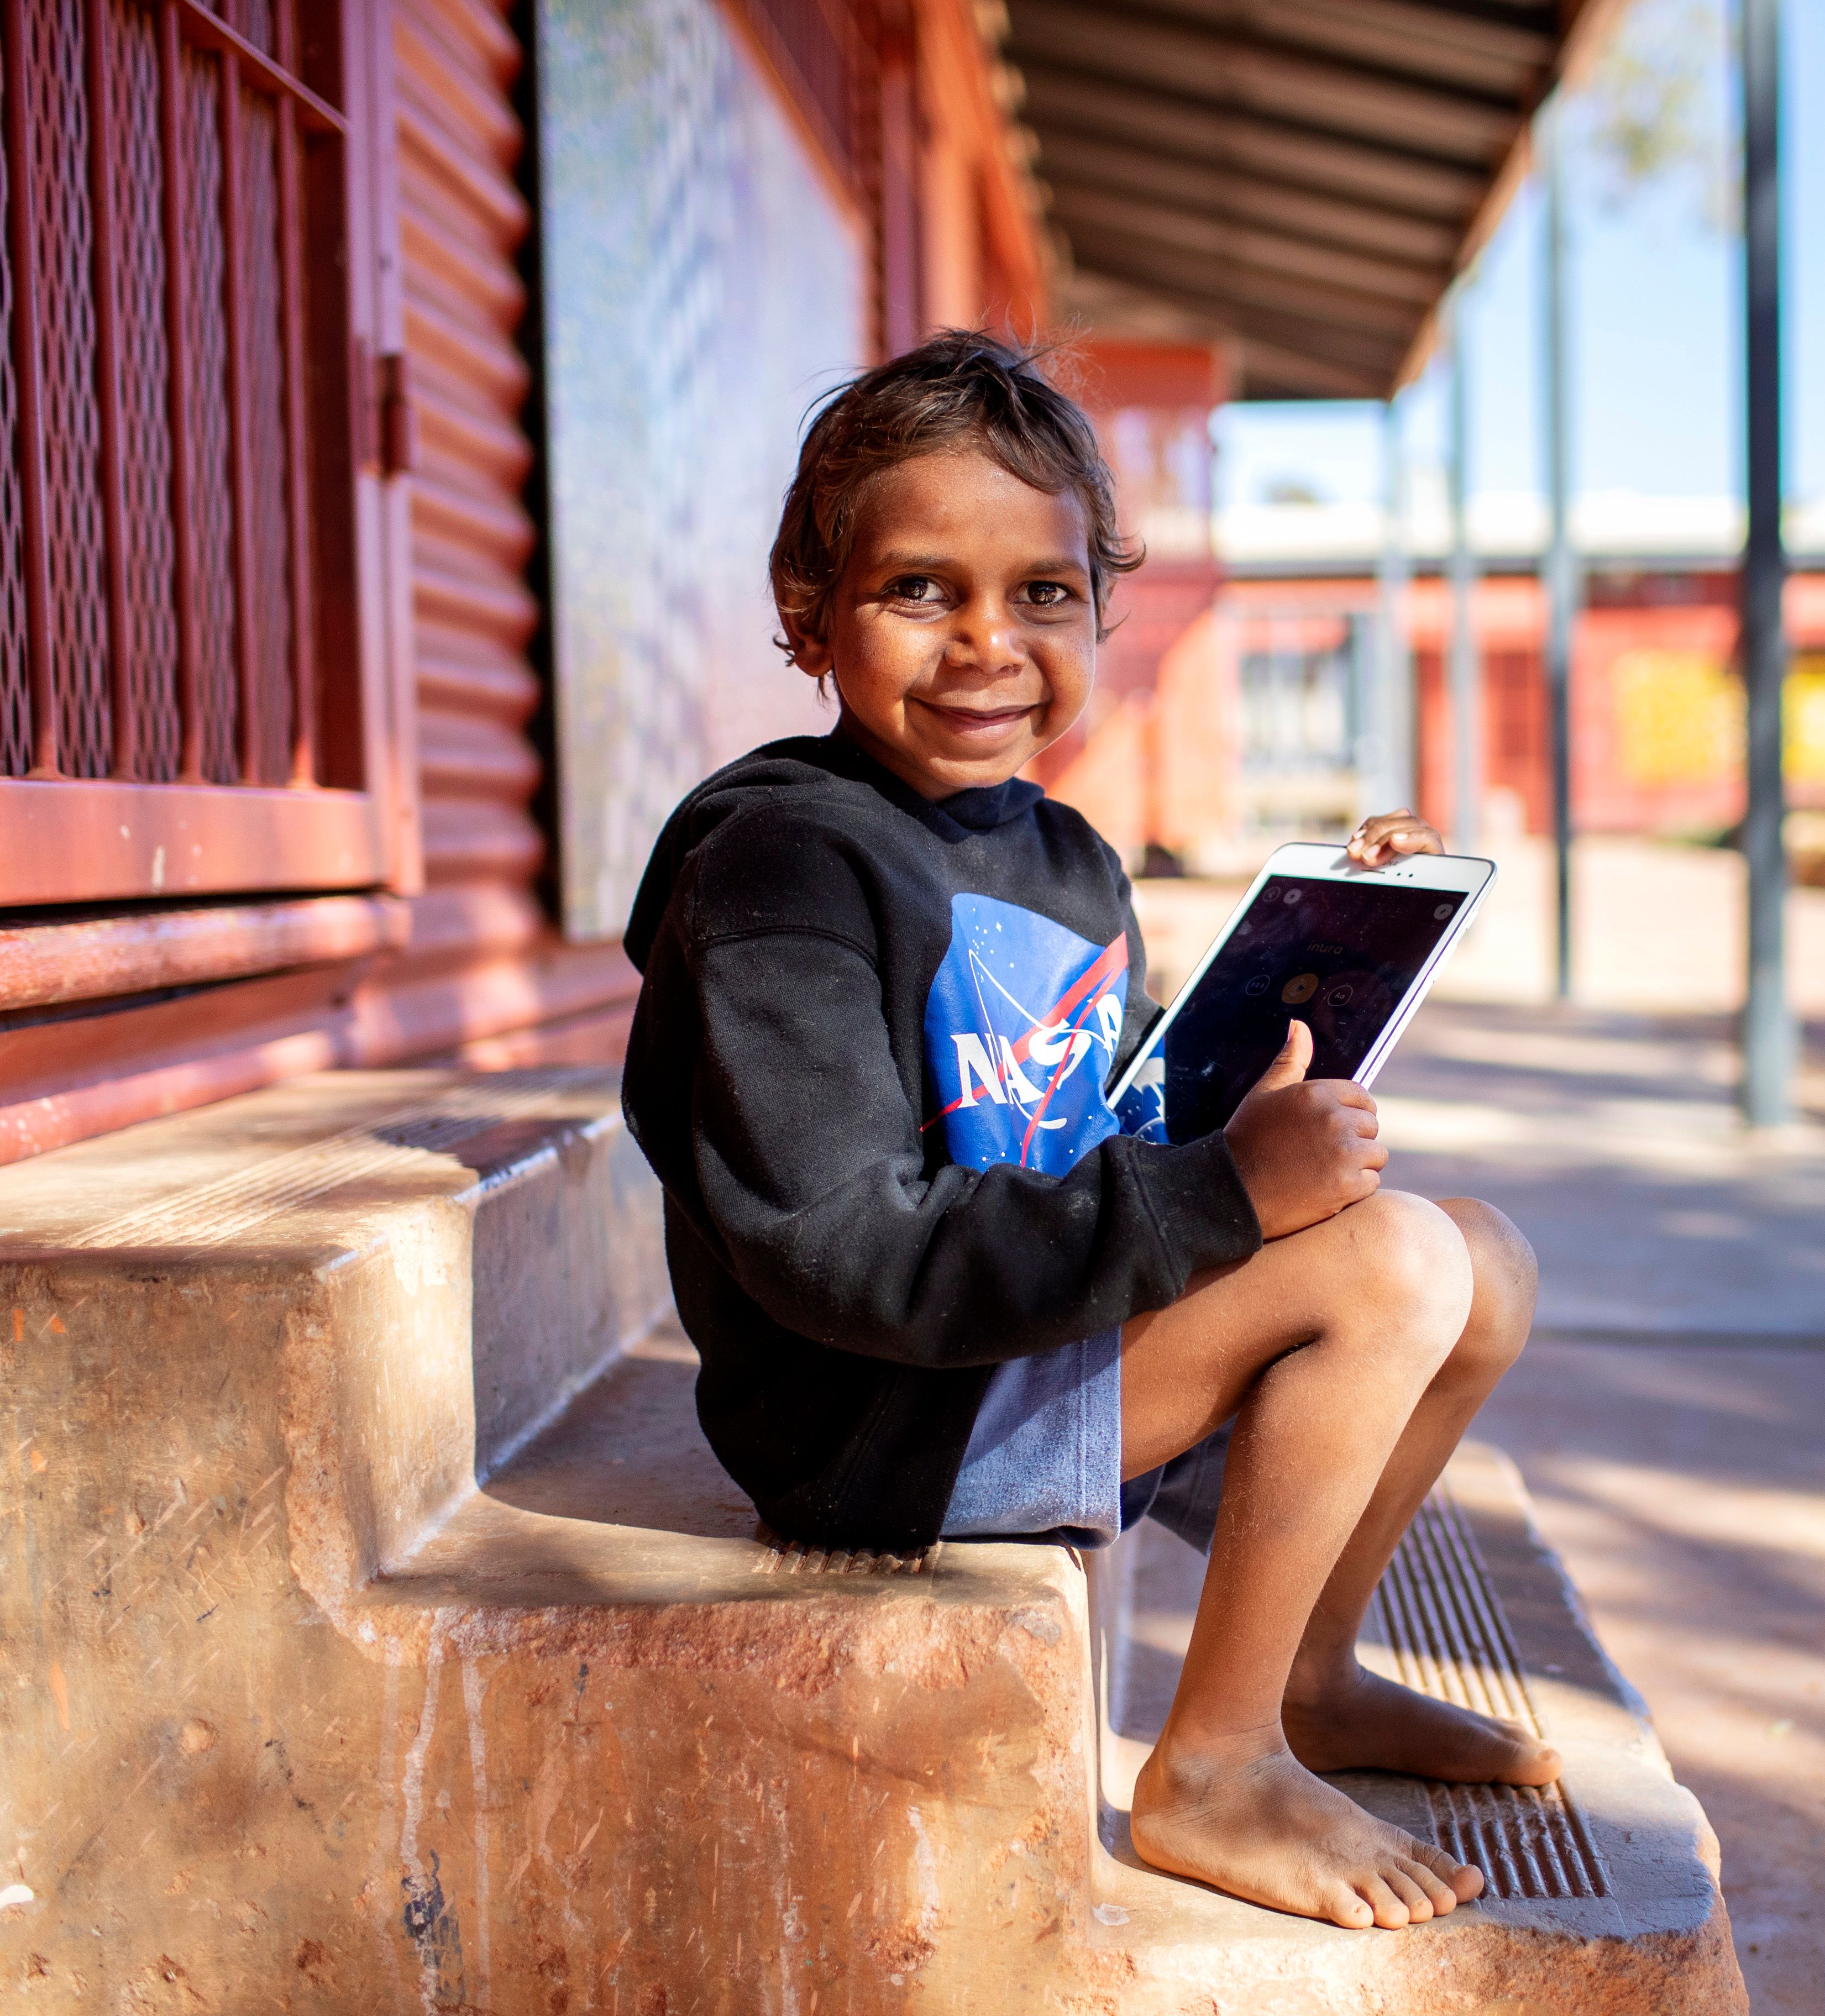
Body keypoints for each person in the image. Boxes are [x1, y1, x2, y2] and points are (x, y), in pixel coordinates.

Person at [619, 331, 1552, 1933]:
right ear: (807, 612)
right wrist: (1223, 1205)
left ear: (1103, 612)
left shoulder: (1060, 855)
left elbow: (1118, 1123)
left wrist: (1324, 958)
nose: (989, 641)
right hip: (878, 1419)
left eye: (1044, 593)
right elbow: (837, 1249)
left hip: (1033, 1338)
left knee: (1487, 1256)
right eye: (923, 590)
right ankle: (1217, 1766)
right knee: (1393, 1266)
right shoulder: (779, 870)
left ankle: (1312, 1675)